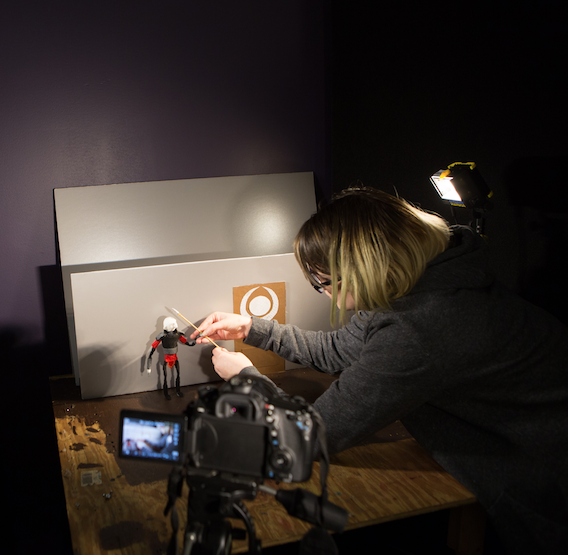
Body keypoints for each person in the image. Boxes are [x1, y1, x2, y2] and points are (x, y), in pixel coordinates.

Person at [192, 187, 568, 554]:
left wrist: (245, 377)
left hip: (542, 473)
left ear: (365, 265)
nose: (322, 292)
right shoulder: (425, 276)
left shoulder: (422, 327)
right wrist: (252, 328)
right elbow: (339, 350)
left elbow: (310, 435)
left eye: (323, 281)